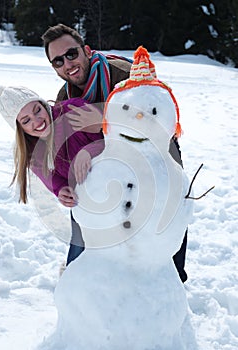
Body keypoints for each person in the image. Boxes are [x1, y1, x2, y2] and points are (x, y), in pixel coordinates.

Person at [42, 23, 188, 282]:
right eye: (58, 61)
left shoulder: (123, 74)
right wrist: (62, 185)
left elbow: (155, 117)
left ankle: (172, 276)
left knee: (166, 203)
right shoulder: (64, 96)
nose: (67, 63)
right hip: (108, 157)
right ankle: (78, 272)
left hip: (156, 150)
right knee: (85, 199)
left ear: (86, 50)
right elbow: (59, 151)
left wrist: (102, 119)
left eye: (72, 54)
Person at [0, 85, 105, 266]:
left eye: (37, 110)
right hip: (88, 205)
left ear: (43, 104)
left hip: (120, 188)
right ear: (20, 128)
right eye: (26, 120)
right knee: (79, 260)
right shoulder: (33, 153)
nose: (37, 121)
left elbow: (116, 138)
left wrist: (89, 150)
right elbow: (54, 180)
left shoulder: (72, 111)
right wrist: (62, 190)